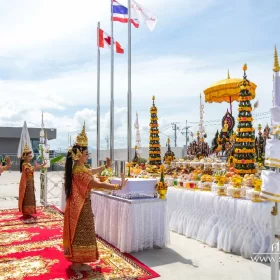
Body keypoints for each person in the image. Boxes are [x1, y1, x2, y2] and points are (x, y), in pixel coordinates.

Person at [63, 123, 127, 272]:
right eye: (86, 154)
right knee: (83, 233)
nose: (87, 156)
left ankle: (78, 261)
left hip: (79, 207)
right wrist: (117, 187)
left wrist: (105, 167)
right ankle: (77, 263)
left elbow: (90, 172)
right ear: (79, 155)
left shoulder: (79, 168)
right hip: (80, 209)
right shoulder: (79, 172)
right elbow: (95, 184)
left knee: (82, 232)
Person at [18, 144, 45, 217]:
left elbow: (32, 168)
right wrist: (35, 168)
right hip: (27, 183)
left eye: (30, 156)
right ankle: (26, 211)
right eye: (29, 156)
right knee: (27, 197)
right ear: (25, 157)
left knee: (30, 196)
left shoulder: (28, 164)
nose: (30, 157)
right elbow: (28, 171)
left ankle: (29, 211)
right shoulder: (24, 164)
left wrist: (41, 165)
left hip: (30, 182)